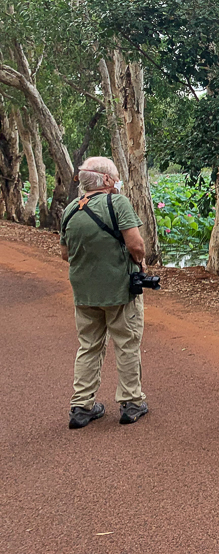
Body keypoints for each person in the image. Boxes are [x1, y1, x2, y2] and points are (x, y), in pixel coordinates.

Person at [60, 156, 149, 429]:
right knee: (126, 343)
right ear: (108, 180)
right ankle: (131, 402)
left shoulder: (71, 210)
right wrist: (140, 263)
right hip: (119, 290)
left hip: (84, 293)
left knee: (88, 346)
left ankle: (81, 406)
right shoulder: (117, 203)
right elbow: (136, 245)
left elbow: (65, 254)